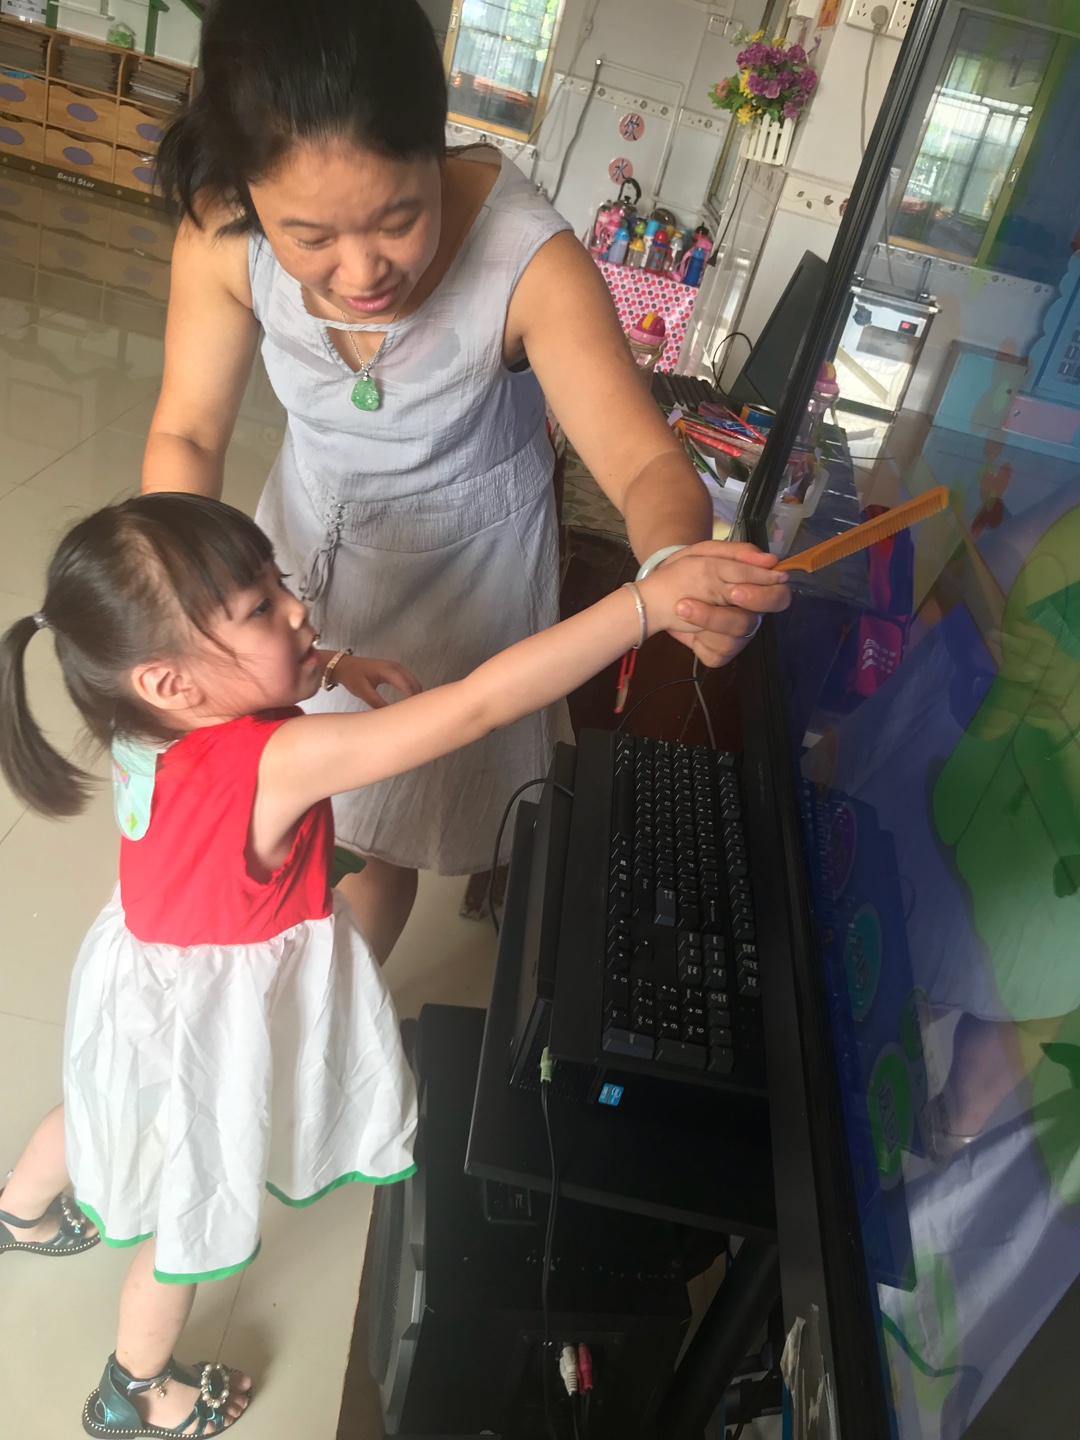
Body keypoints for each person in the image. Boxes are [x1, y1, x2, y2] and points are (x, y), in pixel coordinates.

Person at [0, 492, 779, 1435]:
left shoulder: (139, 719)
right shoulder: (277, 759)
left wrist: (332, 664)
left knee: (106, 1100)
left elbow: (240, 707)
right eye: (260, 608)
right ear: (170, 680)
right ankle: (135, 1389)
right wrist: (643, 606)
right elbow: (475, 707)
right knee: (191, 1199)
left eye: (279, 583)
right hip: (217, 1016)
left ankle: (20, 1212)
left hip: (146, 978)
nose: (298, 609)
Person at [145, 0, 791, 963]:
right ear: (246, 189)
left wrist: (671, 563)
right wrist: (177, 601)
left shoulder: (527, 261)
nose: (362, 271)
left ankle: (344, 1004)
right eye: (310, 239)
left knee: (382, 830)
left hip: (463, 566)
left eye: (399, 218)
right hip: (302, 544)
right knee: (274, 792)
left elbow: (648, 463)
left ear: (435, 143)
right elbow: (187, 432)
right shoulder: (221, 234)